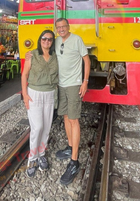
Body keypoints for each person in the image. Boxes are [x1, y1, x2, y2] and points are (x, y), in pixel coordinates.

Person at [54, 18, 90, 185]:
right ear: (56, 29)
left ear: (68, 27)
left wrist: (85, 81)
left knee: (74, 119)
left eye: (63, 26)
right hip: (61, 85)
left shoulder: (77, 39)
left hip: (74, 84)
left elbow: (86, 60)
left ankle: (74, 162)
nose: (61, 29)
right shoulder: (55, 41)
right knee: (66, 117)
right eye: (58, 27)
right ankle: (70, 147)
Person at [21, 30, 58, 178]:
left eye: (49, 39)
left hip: (50, 94)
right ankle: (32, 158)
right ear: (40, 40)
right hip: (34, 93)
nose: (47, 41)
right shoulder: (32, 55)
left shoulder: (56, 56)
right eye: (44, 39)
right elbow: (24, 74)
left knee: (47, 127)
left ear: (52, 42)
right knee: (37, 127)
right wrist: (24, 94)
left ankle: (41, 154)